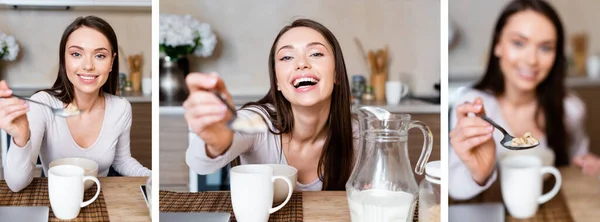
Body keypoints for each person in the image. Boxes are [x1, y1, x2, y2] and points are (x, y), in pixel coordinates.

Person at [449, 0, 600, 200]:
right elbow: (454, 186)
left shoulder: (571, 109)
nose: (532, 60)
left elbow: (576, 161)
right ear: (497, 46)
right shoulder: (473, 107)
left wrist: (587, 165)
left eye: (545, 48)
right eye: (518, 43)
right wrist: (479, 173)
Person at [184, 18, 358, 191]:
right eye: (287, 57)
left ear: (336, 73)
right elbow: (199, 164)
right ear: (277, 82)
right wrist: (215, 142)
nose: (302, 64)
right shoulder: (258, 123)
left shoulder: (359, 136)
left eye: (316, 54)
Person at [1, 16, 151, 192]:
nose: (88, 65)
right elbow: (16, 184)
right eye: (76, 54)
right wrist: (21, 138)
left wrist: (151, 178)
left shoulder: (121, 107)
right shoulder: (42, 105)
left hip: (102, 198)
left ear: (111, 62)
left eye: (100, 55)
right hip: (58, 198)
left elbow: (122, 160)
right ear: (64, 59)